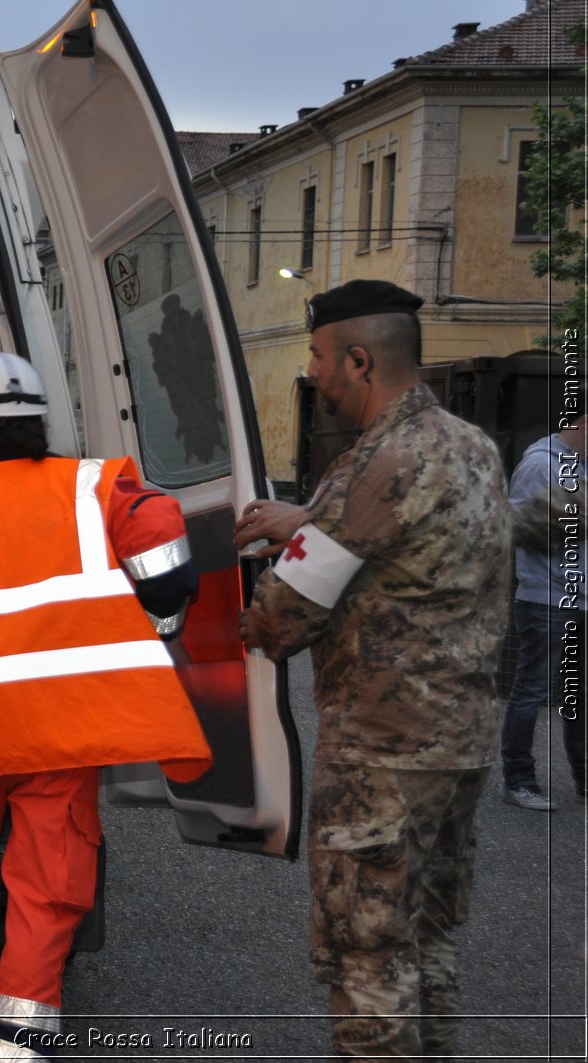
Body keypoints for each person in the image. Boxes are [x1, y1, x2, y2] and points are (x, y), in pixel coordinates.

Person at [0, 351, 212, 1060]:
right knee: (45, 881)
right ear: (36, 425)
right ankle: (17, 1037)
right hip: (64, 729)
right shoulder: (96, 487)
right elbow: (169, 566)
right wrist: (157, 618)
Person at [235, 280, 509, 1058]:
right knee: (429, 940)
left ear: (360, 360)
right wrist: (311, 516)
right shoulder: (473, 445)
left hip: (383, 754)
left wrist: (246, 617)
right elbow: (391, 541)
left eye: (320, 357)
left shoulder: (375, 462)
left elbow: (283, 612)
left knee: (367, 955)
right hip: (462, 747)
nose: (314, 372)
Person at [498, 404, 587, 810]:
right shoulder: (539, 464)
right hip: (546, 598)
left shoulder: (581, 466)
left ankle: (584, 781)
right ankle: (519, 782)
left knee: (579, 695)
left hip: (580, 598)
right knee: (530, 691)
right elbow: (515, 528)